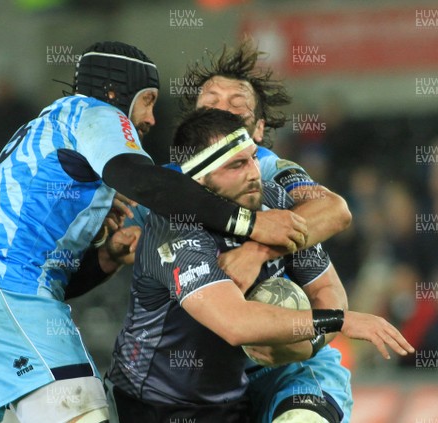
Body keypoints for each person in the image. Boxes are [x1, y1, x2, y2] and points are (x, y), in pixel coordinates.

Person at [0, 41, 305, 423]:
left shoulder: (36, 130)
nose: (152, 119)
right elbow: (143, 180)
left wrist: (105, 257)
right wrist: (249, 222)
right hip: (9, 299)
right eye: (148, 101)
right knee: (85, 410)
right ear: (118, 93)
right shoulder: (97, 113)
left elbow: (52, 274)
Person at [105, 108, 414, 423]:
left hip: (233, 399)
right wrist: (338, 321)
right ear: (200, 178)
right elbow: (237, 324)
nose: (254, 172)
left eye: (253, 158)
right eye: (237, 165)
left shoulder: (273, 199)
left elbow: (325, 286)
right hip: (157, 404)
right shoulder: (174, 227)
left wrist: (306, 345)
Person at [118, 39, 354, 422]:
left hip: (287, 363)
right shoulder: (164, 188)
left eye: (236, 103)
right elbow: (125, 246)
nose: (221, 107)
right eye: (210, 99)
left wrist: (257, 250)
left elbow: (334, 210)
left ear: (258, 130)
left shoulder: (268, 171)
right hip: (199, 374)